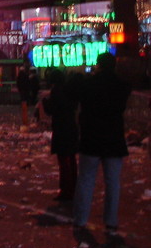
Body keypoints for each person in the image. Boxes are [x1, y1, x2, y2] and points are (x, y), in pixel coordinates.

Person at [71, 52, 131, 237]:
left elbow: (76, 96)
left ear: (98, 65)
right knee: (112, 182)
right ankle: (111, 221)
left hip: (91, 137)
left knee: (86, 181)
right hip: (113, 139)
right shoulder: (122, 86)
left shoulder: (88, 84)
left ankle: (81, 219)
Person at [41, 68, 78, 202]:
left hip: (61, 128)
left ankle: (66, 190)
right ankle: (73, 187)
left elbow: (51, 109)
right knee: (71, 160)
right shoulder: (69, 90)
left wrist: (45, 100)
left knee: (63, 161)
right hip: (71, 127)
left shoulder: (56, 91)